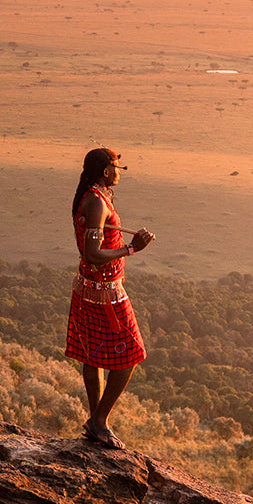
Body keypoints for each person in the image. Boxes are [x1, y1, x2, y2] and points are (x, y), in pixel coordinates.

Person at [66, 147, 154, 449]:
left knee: (92, 356)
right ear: (106, 171)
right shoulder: (95, 202)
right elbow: (92, 253)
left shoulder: (93, 198)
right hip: (105, 292)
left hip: (87, 289)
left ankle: (97, 423)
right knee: (130, 355)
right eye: (118, 167)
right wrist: (131, 249)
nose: (120, 172)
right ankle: (99, 420)